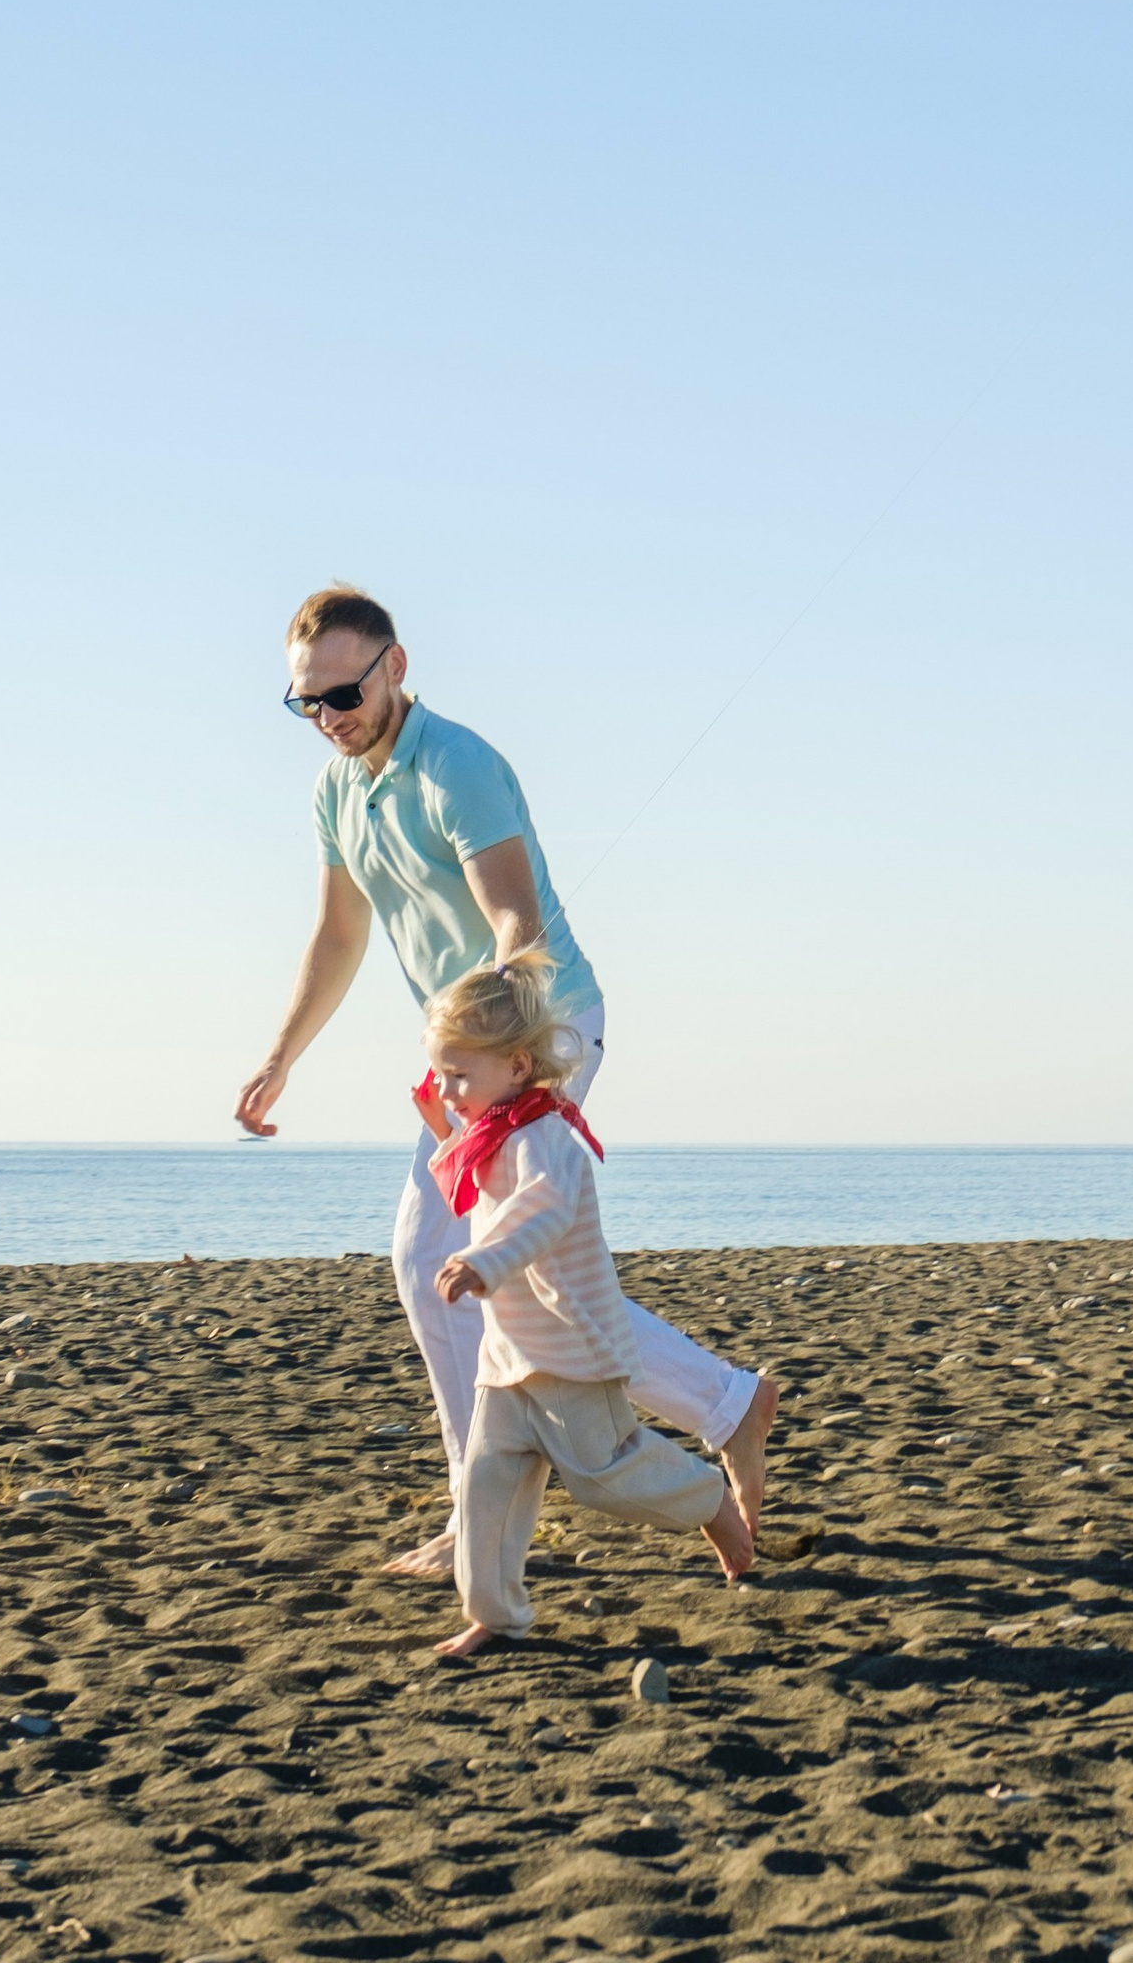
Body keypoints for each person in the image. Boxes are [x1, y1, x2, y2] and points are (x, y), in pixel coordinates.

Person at [233, 583, 777, 1580]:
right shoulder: (336, 792)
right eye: (304, 702)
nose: (327, 717)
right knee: (458, 1271)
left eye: (342, 693)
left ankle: (482, 1517)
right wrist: (281, 1056)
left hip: (540, 1029)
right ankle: (723, 1405)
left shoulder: (458, 767)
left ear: (395, 668)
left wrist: (501, 1080)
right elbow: (340, 933)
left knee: (454, 1264)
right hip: (470, 1053)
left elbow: (515, 935)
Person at [418, 953, 752, 1658]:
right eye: (442, 1073)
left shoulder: (550, 1136)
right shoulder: (492, 1131)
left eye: (459, 1075)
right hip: (508, 1355)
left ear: (515, 1066)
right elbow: (470, 1188)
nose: (448, 1088)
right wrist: (444, 1131)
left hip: (573, 1347)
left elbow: (537, 1215)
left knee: (604, 1476)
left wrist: (483, 1262)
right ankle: (496, 1615)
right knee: (486, 1490)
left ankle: (711, 1503)